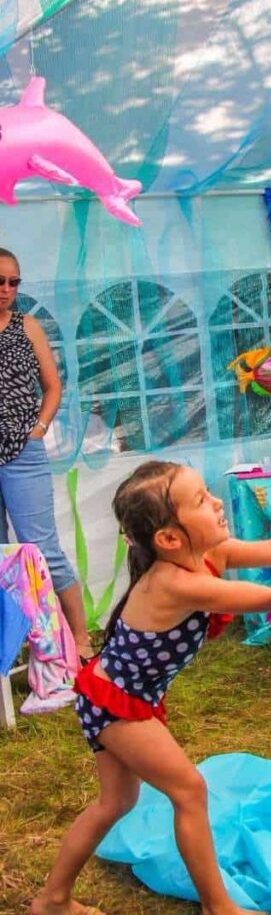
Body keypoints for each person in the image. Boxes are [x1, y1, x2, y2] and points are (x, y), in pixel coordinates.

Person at [30, 460, 271, 915]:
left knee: (114, 803)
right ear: (170, 540)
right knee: (188, 791)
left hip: (113, 694)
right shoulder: (176, 582)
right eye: (199, 500)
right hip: (117, 704)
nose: (217, 502)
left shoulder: (209, 554)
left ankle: (52, 899)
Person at [0, 248, 93, 661]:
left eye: (14, 282)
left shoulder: (27, 325)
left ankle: (81, 638)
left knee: (41, 549)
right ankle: (15, 648)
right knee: (0, 557)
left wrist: (38, 429)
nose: (6, 290)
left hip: (23, 450)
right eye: (0, 282)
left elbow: (53, 386)